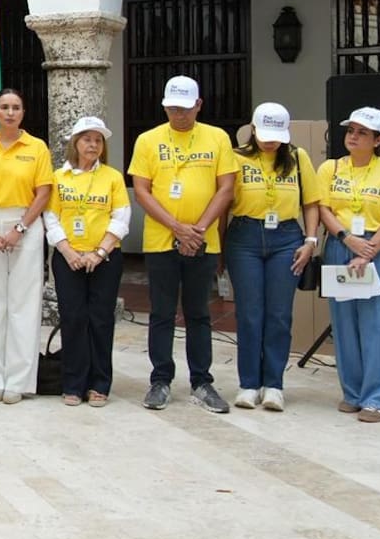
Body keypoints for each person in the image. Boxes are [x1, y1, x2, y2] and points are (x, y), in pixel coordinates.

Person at [128, 75, 237, 414]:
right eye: (173, 108)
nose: (179, 114)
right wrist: (177, 227)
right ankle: (160, 380)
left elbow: (226, 188)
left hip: (203, 241)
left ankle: (202, 381)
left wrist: (198, 229)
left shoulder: (217, 137)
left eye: (185, 108)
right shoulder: (148, 140)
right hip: (161, 240)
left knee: (199, 313)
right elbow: (142, 190)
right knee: (161, 312)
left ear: (198, 105)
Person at [219, 103, 320, 411]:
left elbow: (311, 202)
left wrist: (310, 240)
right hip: (244, 237)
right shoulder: (236, 157)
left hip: (286, 238)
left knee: (279, 314)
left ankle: (274, 384)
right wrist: (220, 248)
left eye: (275, 136)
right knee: (249, 313)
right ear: (252, 129)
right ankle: (249, 384)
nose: (269, 142)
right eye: (264, 135)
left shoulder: (298, 158)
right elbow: (223, 205)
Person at [317, 107, 380, 423]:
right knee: (345, 324)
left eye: (362, 133)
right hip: (341, 244)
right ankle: (353, 393)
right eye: (350, 130)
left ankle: (379, 399)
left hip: (377, 247)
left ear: (378, 140)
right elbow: (324, 208)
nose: (353, 137)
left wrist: (367, 251)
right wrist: (346, 239)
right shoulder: (331, 168)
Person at [0, 88, 53, 405]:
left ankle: (18, 381)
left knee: (23, 304)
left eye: (16, 107)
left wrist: (20, 228)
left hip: (26, 224)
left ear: (23, 113)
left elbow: (43, 192)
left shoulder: (37, 147)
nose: (10, 112)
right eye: (4, 107)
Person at [43, 117, 131, 407]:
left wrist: (99, 253)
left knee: (101, 320)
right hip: (68, 259)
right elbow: (51, 217)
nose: (93, 145)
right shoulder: (59, 177)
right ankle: (73, 383)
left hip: (105, 258)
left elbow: (121, 217)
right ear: (75, 143)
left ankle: (99, 384)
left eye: (98, 140)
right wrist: (68, 252)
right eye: (87, 139)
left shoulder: (112, 177)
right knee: (73, 319)